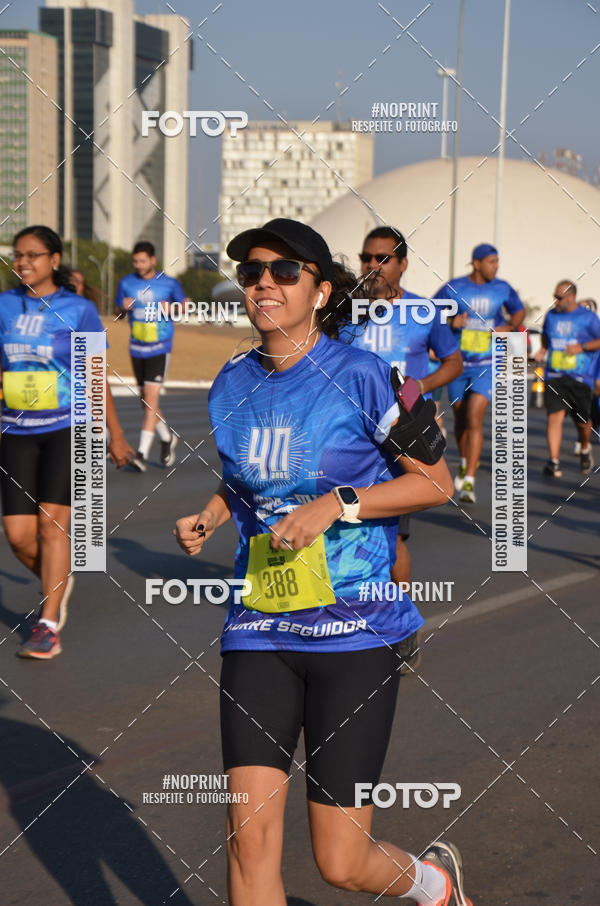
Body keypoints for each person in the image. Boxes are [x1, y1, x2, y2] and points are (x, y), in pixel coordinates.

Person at [175, 218, 473, 906]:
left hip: (355, 631)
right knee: (248, 841)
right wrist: (212, 514)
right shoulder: (231, 382)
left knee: (340, 861)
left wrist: (338, 503)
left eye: (284, 271)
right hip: (260, 624)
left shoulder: (368, 377)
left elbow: (435, 483)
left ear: (320, 291)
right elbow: (248, 477)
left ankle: (433, 886)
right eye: (251, 272)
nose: (263, 283)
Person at [0, 225, 133, 659]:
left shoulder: (78, 310)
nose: (22, 262)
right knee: (18, 536)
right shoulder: (4, 305)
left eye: (32, 255)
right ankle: (58, 580)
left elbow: (94, 375)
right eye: (18, 255)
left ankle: (48, 623)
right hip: (15, 430)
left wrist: (114, 434)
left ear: (54, 260)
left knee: (51, 525)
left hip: (67, 428)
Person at [340, 225, 462, 585]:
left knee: (389, 535)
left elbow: (453, 363)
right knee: (344, 524)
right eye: (366, 257)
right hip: (349, 434)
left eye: (383, 258)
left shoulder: (424, 311)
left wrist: (421, 387)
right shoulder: (345, 312)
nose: (372, 265)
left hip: (402, 433)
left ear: (403, 264)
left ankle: (401, 614)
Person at [434, 243, 525, 503]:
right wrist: (450, 322)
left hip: (488, 362)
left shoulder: (502, 288)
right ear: (477, 263)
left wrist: (511, 326)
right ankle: (465, 462)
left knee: (475, 415)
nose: (496, 266)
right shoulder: (455, 287)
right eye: (491, 261)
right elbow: (429, 311)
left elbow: (519, 310)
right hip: (458, 363)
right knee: (461, 417)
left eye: (497, 261)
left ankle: (470, 482)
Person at [114, 241, 185, 471]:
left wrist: (173, 308)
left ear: (153, 260)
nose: (138, 265)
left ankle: (142, 454)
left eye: (143, 260)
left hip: (160, 348)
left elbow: (185, 306)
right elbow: (117, 314)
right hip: (137, 348)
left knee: (151, 400)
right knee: (146, 402)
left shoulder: (168, 283)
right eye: (135, 261)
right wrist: (122, 308)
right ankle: (167, 437)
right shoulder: (126, 283)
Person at [535, 280, 600, 476]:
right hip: (555, 374)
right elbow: (545, 335)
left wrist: (582, 347)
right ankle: (553, 462)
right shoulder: (551, 316)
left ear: (571, 297)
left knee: (582, 422)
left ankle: (585, 447)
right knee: (554, 416)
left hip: (580, 376)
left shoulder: (588, 318)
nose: (555, 301)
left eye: (559, 297)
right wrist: (543, 348)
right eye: (554, 296)